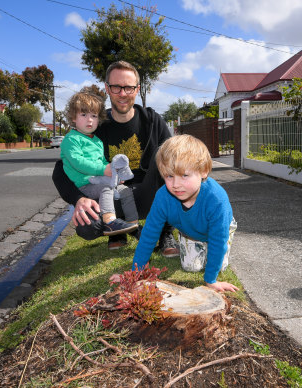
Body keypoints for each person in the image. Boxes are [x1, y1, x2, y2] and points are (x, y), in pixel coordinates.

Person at [52, 61, 179, 256]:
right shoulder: (95, 126)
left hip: (149, 195)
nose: (122, 93)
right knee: (87, 226)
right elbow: (60, 169)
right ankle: (117, 231)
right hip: (111, 196)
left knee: (166, 156)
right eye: (116, 87)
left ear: (137, 89)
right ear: (107, 88)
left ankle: (165, 233)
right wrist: (78, 199)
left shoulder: (152, 120)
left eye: (128, 87)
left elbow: (178, 158)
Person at [131, 135, 239, 293]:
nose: (175, 185)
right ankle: (188, 241)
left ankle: (207, 254)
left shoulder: (216, 199)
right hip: (190, 232)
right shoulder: (163, 197)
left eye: (184, 175)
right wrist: (135, 273)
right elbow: (149, 234)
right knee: (191, 267)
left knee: (218, 266)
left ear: (203, 171)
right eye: (169, 176)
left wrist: (211, 280)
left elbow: (218, 239)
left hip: (219, 230)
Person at [60, 87, 138, 236]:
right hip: (85, 185)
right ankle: (110, 222)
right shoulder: (71, 139)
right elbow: (79, 163)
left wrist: (114, 175)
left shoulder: (97, 141)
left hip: (101, 179)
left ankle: (134, 226)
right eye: (83, 114)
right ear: (73, 117)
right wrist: (104, 170)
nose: (90, 120)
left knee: (125, 191)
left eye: (94, 116)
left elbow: (102, 162)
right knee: (105, 188)